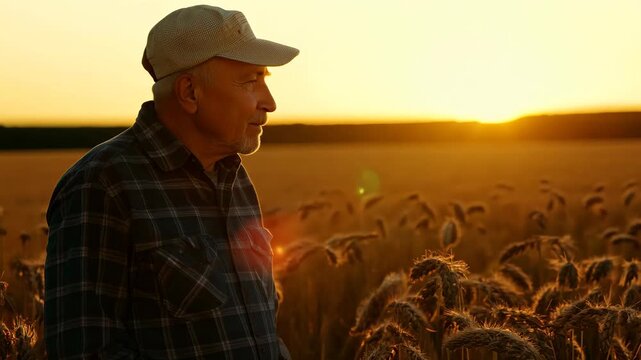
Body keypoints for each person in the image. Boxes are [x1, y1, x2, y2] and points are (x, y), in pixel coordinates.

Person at [44, 5, 298, 359]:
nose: (270, 103)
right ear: (190, 93)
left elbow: (261, 333)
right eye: (251, 80)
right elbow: (84, 351)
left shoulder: (233, 177)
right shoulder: (102, 185)